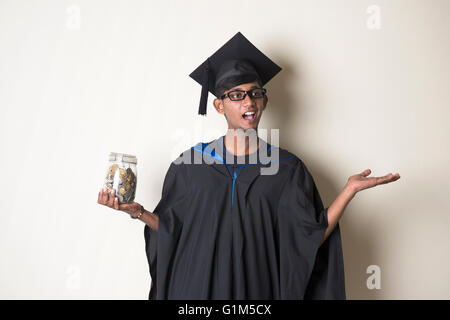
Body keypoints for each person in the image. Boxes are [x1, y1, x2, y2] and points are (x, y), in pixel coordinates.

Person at [97, 32, 400, 299]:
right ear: (219, 105)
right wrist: (138, 213)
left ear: (265, 101)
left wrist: (348, 191)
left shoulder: (287, 170)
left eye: (256, 93)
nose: (249, 103)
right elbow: (174, 232)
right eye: (237, 95)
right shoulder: (189, 166)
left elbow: (308, 239)